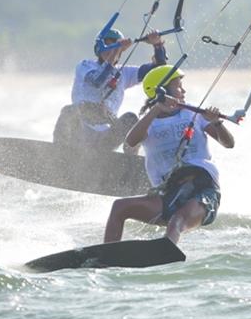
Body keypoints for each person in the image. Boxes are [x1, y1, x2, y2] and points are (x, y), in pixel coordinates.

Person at [103, 65, 235, 244]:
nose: (183, 90)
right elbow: (131, 141)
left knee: (177, 222)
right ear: (163, 91)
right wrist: (157, 109)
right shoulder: (149, 121)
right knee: (119, 207)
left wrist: (217, 123)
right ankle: (108, 254)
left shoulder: (194, 114)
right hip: (168, 194)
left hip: (202, 190)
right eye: (178, 86)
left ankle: (165, 252)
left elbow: (229, 144)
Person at [53, 28, 167, 153]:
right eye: (108, 45)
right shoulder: (85, 65)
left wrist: (157, 44)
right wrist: (116, 49)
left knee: (131, 118)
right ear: (99, 48)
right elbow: (98, 81)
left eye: (115, 46)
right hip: (80, 132)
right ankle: (59, 153)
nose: (112, 50)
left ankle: (129, 160)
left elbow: (159, 71)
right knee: (69, 111)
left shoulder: (125, 72)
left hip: (105, 139)